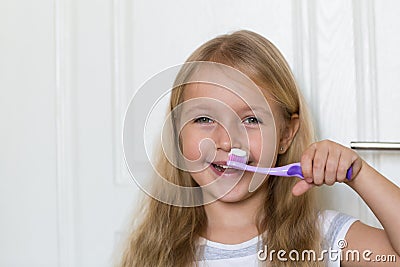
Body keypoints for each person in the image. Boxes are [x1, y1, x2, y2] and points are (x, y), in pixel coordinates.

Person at [118, 30, 400, 266]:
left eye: (250, 119)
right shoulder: (154, 252)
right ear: (179, 133)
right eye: (204, 118)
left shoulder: (323, 238)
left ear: (286, 134)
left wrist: (359, 174)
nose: (227, 140)